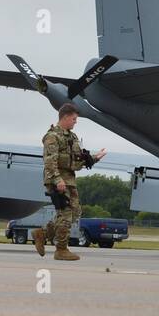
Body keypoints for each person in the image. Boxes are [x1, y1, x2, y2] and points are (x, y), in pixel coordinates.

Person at [36, 103, 105, 261]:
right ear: (65, 117)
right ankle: (61, 249)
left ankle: (43, 234)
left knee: (75, 213)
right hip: (57, 179)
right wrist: (57, 179)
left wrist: (94, 158)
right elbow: (49, 161)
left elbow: (76, 161)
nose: (75, 122)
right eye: (74, 119)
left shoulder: (72, 137)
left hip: (70, 179)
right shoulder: (52, 136)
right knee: (65, 213)